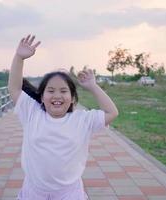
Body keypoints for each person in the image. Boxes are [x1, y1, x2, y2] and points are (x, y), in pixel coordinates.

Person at [8, 34, 119, 200]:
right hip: (34, 190)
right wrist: (19, 57)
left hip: (69, 192)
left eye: (63, 91)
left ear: (73, 98)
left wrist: (93, 87)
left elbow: (112, 113)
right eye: (51, 91)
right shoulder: (32, 113)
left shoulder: (82, 120)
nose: (57, 96)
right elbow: (15, 88)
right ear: (42, 96)